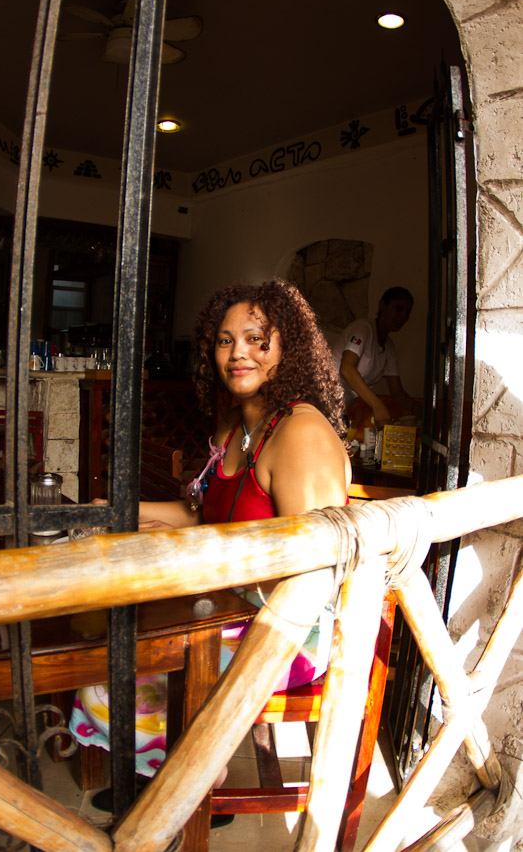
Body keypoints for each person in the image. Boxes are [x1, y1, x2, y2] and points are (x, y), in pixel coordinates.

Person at [70, 280, 351, 811]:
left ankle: (189, 790)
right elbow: (205, 514)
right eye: (225, 340)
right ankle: (176, 782)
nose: (238, 352)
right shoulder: (236, 425)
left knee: (124, 667)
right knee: (111, 641)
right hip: (230, 606)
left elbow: (309, 568)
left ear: (288, 347)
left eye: (256, 338)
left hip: (286, 631)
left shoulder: (300, 433)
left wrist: (192, 550)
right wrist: (117, 512)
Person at [331, 287, 417, 427]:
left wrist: (417, 409)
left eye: (407, 312)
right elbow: (347, 369)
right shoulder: (363, 329)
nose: (403, 316)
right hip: (321, 402)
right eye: (398, 308)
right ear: (382, 305)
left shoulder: (388, 347)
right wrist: (377, 405)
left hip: (339, 410)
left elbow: (397, 394)